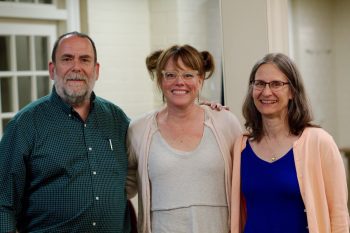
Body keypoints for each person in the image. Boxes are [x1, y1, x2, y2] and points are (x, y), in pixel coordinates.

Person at [0, 31, 131, 232]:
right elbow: (3, 203)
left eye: (85, 60)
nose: (76, 67)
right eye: (67, 59)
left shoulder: (117, 119)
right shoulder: (25, 125)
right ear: (52, 70)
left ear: (96, 70)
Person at [126, 44, 242, 233]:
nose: (179, 82)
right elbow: (124, 185)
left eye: (188, 75)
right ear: (160, 80)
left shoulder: (225, 122)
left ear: (200, 79)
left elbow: (248, 177)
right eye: (170, 75)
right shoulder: (139, 129)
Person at [230, 53, 349, 233]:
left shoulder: (319, 142)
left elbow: (338, 215)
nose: (266, 92)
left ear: (292, 91)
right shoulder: (241, 147)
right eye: (259, 83)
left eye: (276, 84)